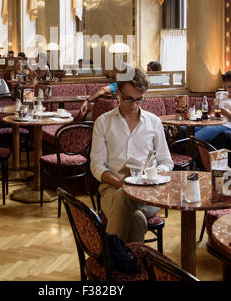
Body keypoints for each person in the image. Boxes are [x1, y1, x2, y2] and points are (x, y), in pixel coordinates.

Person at [90, 67, 174, 243]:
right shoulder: (103, 122)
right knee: (132, 212)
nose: (134, 105)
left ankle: (108, 259)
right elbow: (97, 165)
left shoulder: (154, 122)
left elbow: (166, 162)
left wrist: (153, 175)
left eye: (139, 100)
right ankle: (132, 264)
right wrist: (119, 182)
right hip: (112, 189)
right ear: (118, 92)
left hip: (148, 194)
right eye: (129, 99)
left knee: (125, 202)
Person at [194, 71, 231, 149]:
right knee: (185, 129)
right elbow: (211, 113)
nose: (229, 90)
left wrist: (225, 112)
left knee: (196, 137)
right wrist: (212, 110)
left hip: (226, 124)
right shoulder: (221, 95)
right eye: (228, 87)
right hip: (214, 121)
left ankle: (188, 157)